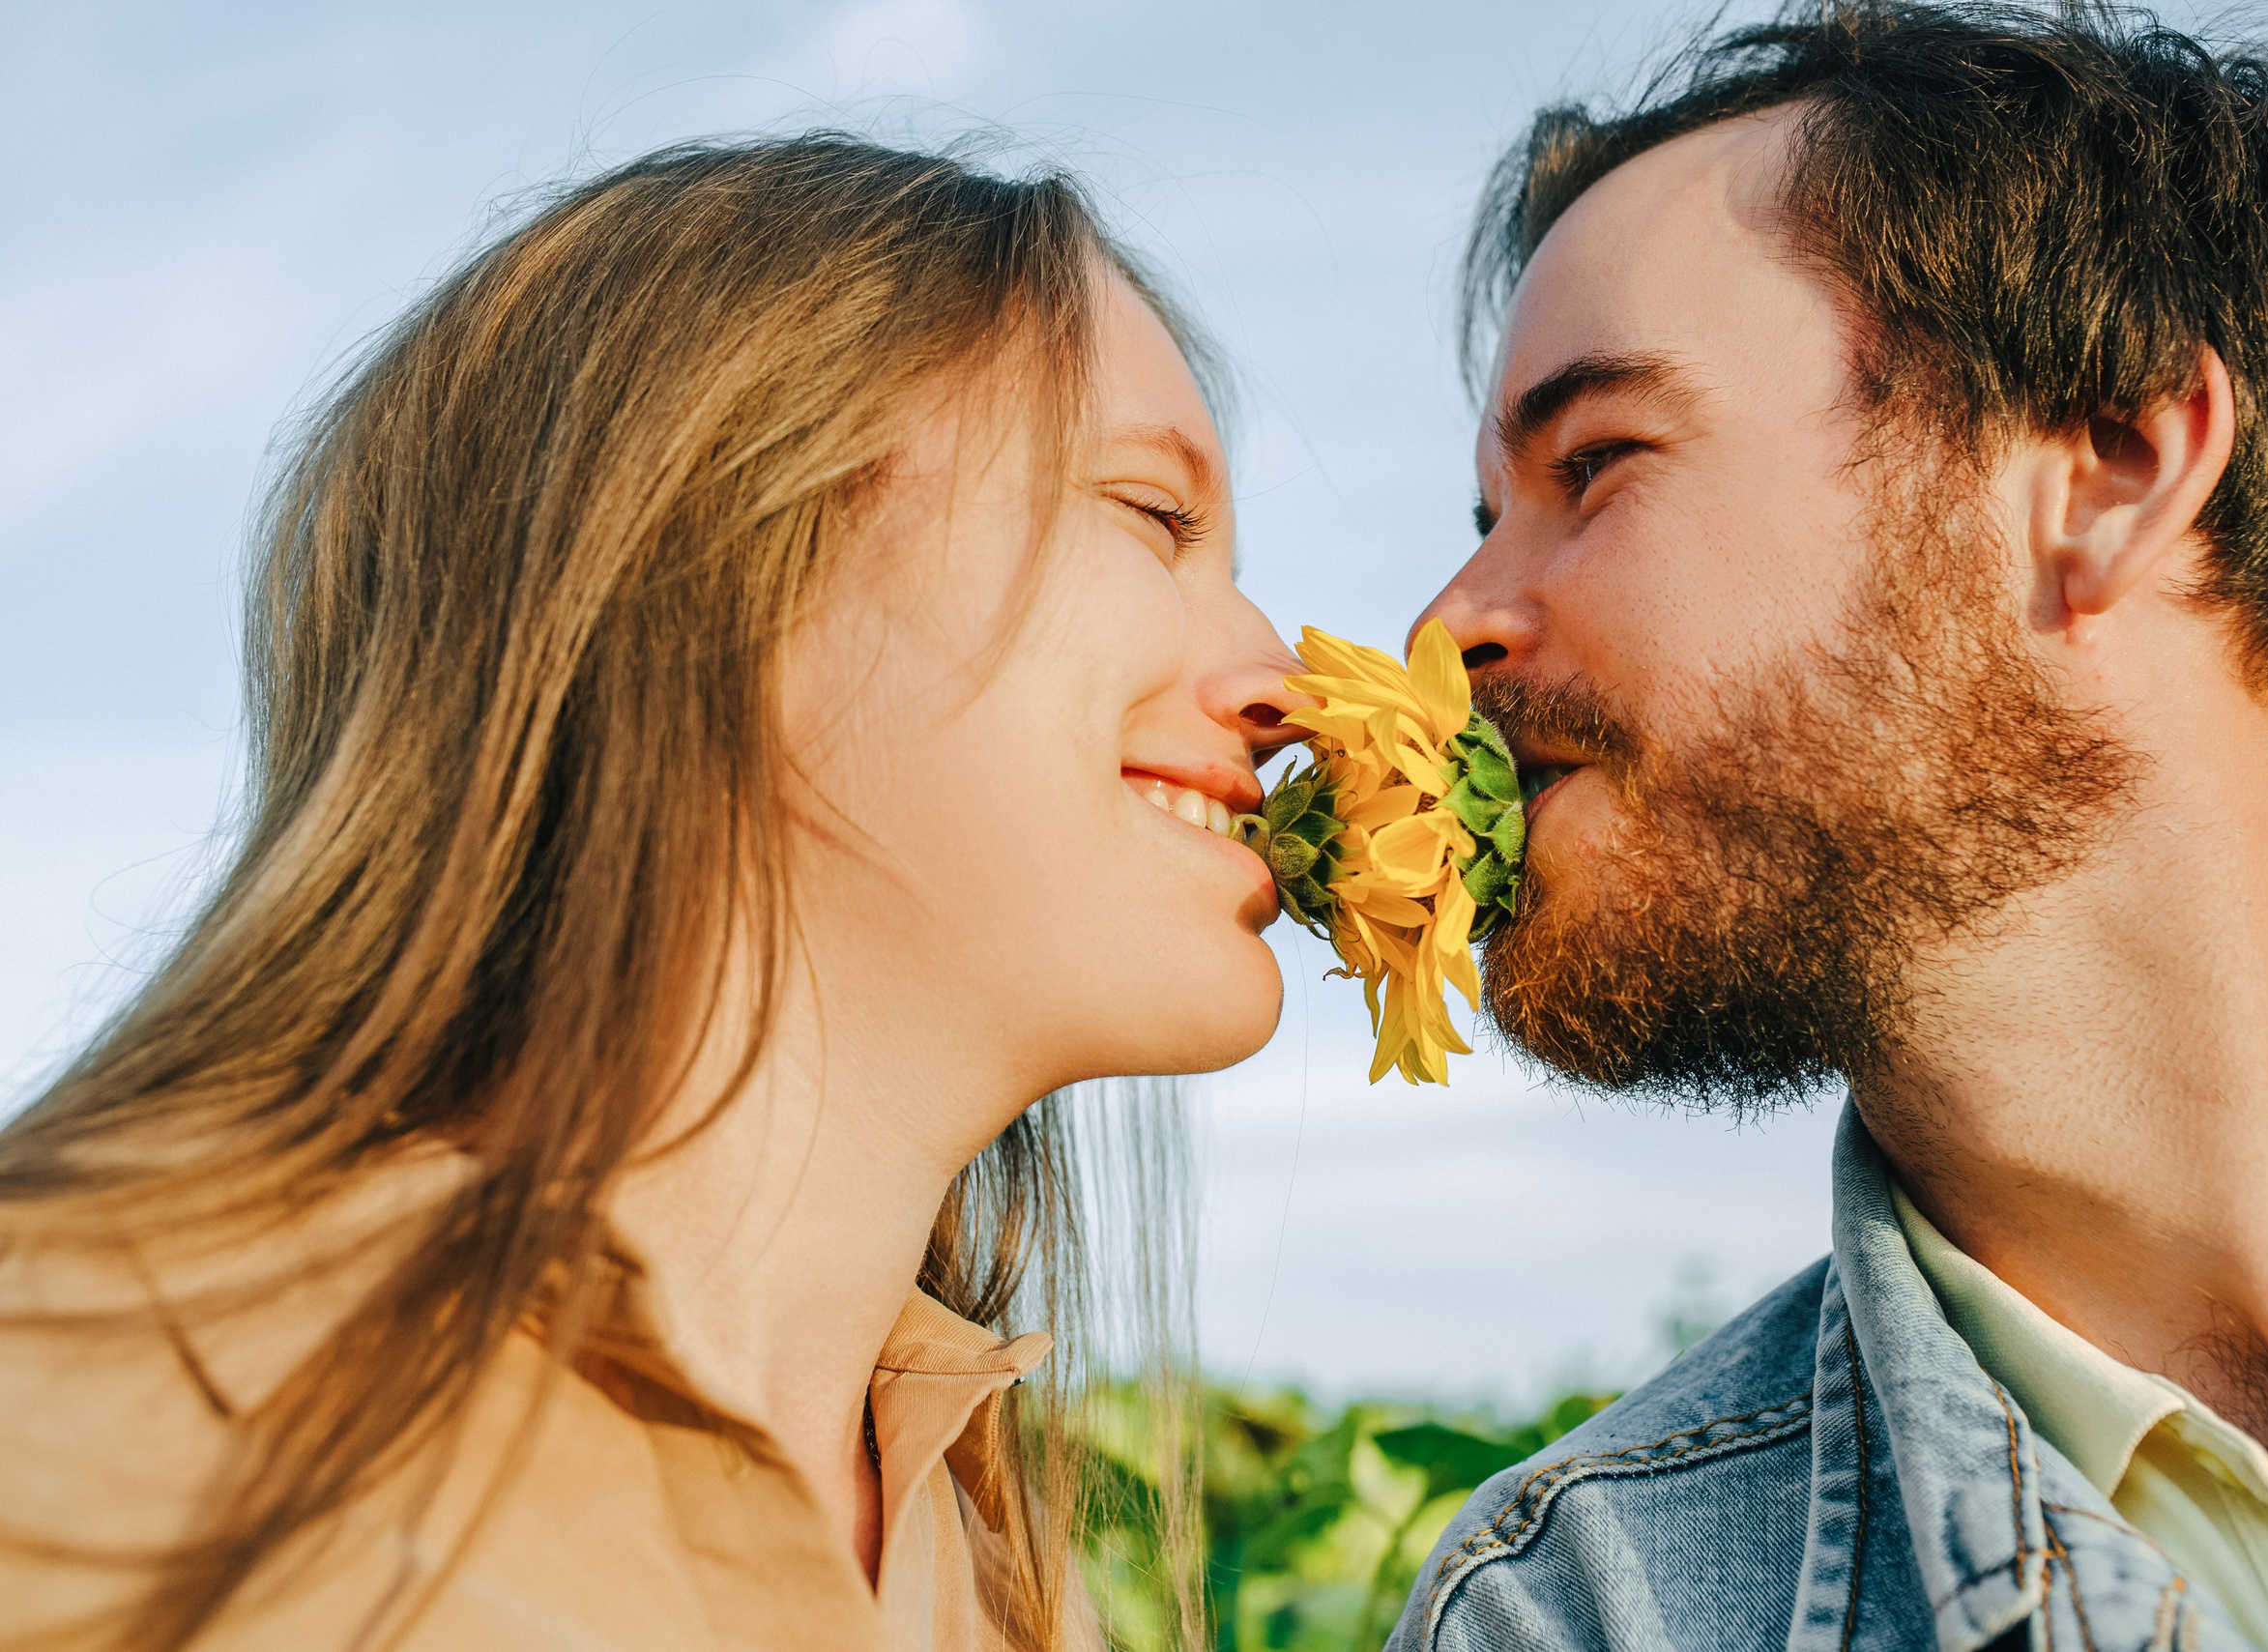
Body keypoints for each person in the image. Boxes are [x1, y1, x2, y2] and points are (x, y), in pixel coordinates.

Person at [0, 134, 1306, 1652]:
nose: (1283, 680)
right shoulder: (77, 1411)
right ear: (724, 547)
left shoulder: (1009, 1581)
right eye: (1153, 515)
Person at [1392, 6, 2268, 1651]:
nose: (1447, 626)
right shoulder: (1588, 1611)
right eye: (1487, 517)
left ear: (2112, 467)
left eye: (1595, 461)